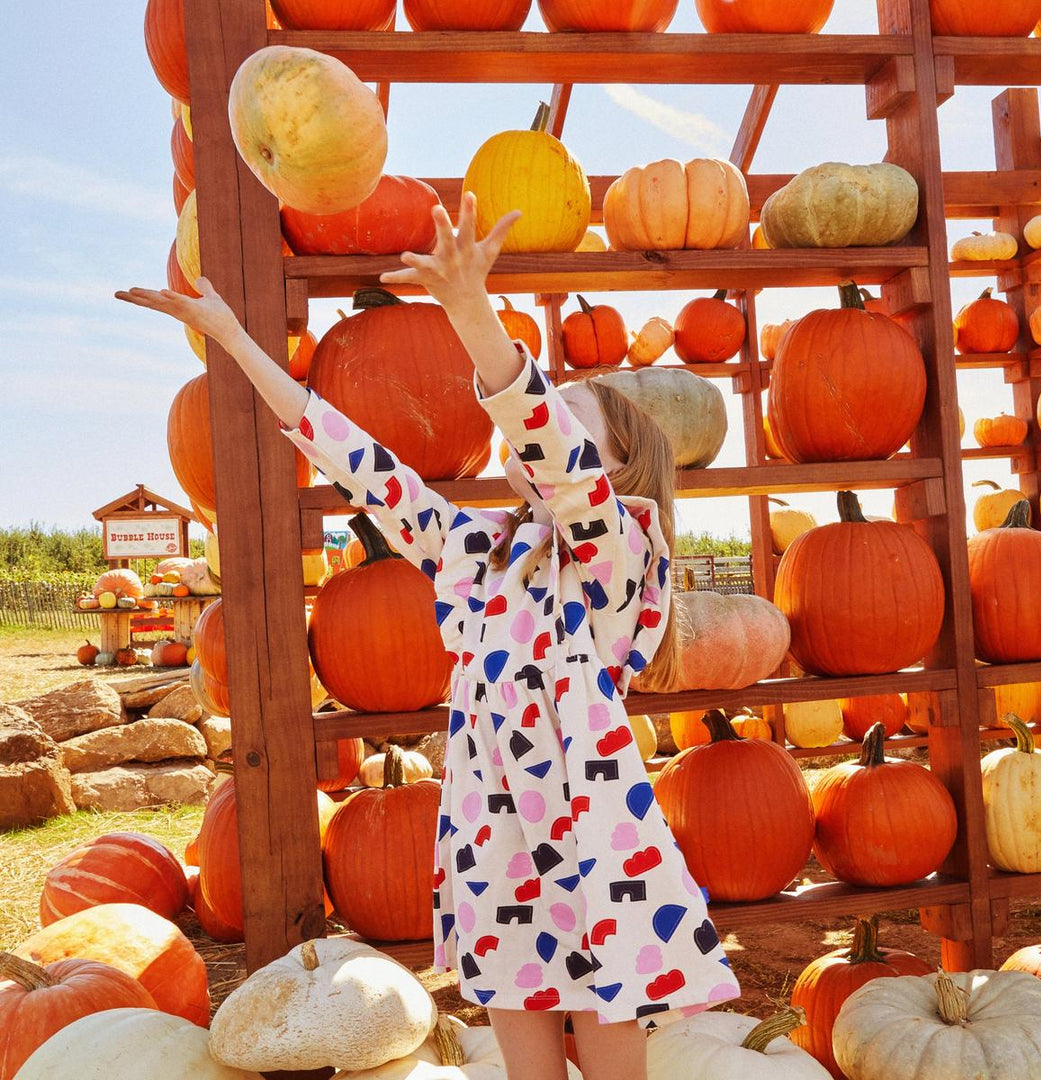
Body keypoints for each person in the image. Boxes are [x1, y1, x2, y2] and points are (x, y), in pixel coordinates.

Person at [116, 193, 739, 1080]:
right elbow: (360, 464)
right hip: (493, 830)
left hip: (592, 835)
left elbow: (560, 467)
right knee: (520, 1020)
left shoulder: (617, 547)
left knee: (606, 1035)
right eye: (531, 430)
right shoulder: (484, 555)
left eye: (564, 430)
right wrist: (235, 341)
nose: (534, 444)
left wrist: (470, 313)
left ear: (617, 468)